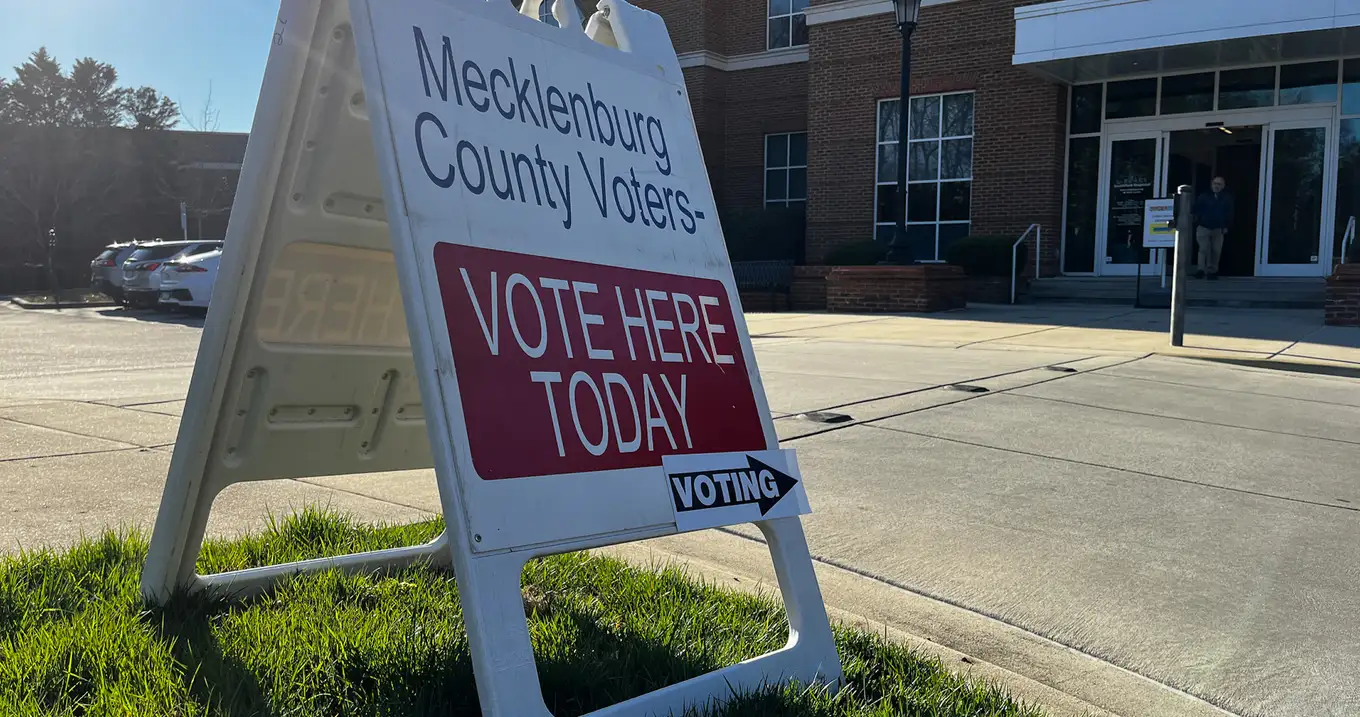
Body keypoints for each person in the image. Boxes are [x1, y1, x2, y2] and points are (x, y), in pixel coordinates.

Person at [1191, 176, 1233, 280]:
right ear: (1211, 184)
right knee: (1203, 248)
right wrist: (1198, 220)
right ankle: (1200, 270)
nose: (1216, 186)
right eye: (1215, 183)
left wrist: (1226, 226)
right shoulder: (1204, 196)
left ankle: (1212, 271)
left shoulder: (1227, 198)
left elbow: (1229, 213)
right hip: (1203, 226)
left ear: (1223, 186)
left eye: (1219, 184)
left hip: (1218, 228)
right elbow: (1195, 209)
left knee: (1216, 250)